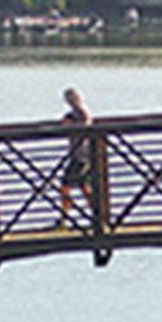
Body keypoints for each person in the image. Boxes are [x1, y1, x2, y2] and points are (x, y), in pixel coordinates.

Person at [56, 87, 95, 227]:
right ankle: (66, 218)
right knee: (82, 187)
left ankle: (65, 218)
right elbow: (63, 125)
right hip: (77, 156)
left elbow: (86, 125)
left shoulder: (82, 113)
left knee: (67, 185)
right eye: (69, 99)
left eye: (73, 98)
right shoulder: (71, 115)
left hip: (82, 156)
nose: (72, 101)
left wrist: (72, 125)